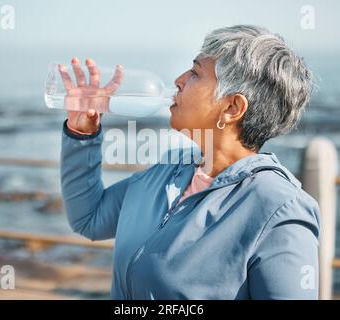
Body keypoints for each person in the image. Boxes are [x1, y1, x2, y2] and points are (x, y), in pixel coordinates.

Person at [60, 25, 320, 299]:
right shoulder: (168, 170)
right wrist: (82, 134)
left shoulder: (279, 209)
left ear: (232, 108)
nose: (178, 80)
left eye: (195, 73)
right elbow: (89, 218)